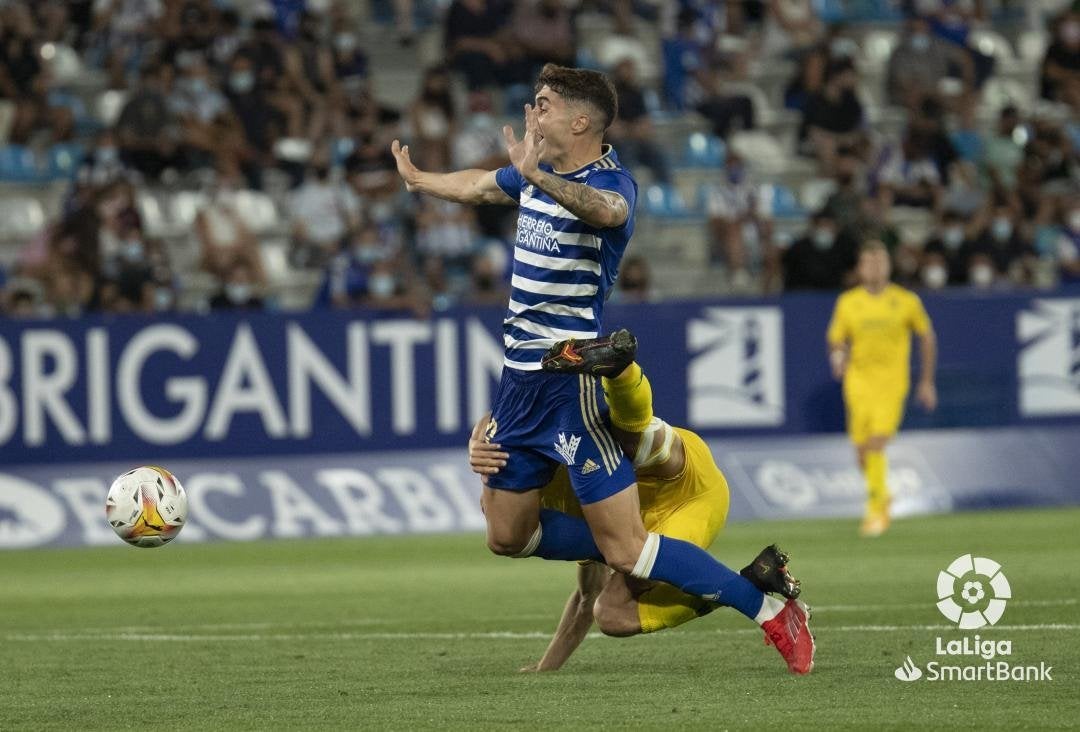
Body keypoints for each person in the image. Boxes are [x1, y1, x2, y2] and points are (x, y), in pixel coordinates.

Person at [391, 64, 813, 674]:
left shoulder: (611, 183)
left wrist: (537, 175)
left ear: (580, 120)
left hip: (571, 383)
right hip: (517, 383)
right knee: (506, 536)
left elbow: (609, 212)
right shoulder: (535, 177)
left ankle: (768, 610)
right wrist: (420, 179)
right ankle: (659, 552)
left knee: (626, 548)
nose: (532, 114)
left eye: (542, 104)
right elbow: (482, 186)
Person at [468, 359, 804, 672]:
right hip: (641, 524)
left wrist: (483, 428)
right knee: (611, 615)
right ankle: (751, 582)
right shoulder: (557, 511)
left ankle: (624, 372)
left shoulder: (560, 445)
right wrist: (546, 668)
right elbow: (587, 598)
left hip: (690, 492)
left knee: (639, 458)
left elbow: (664, 450)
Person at [826, 241, 938, 538]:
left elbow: (926, 337)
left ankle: (876, 510)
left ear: (888, 266)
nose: (875, 268)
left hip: (891, 384)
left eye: (880, 262)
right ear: (860, 268)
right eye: (869, 263)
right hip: (858, 383)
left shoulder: (906, 301)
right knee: (862, 452)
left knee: (876, 443)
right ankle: (883, 494)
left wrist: (926, 381)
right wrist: (838, 357)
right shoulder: (848, 302)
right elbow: (837, 338)